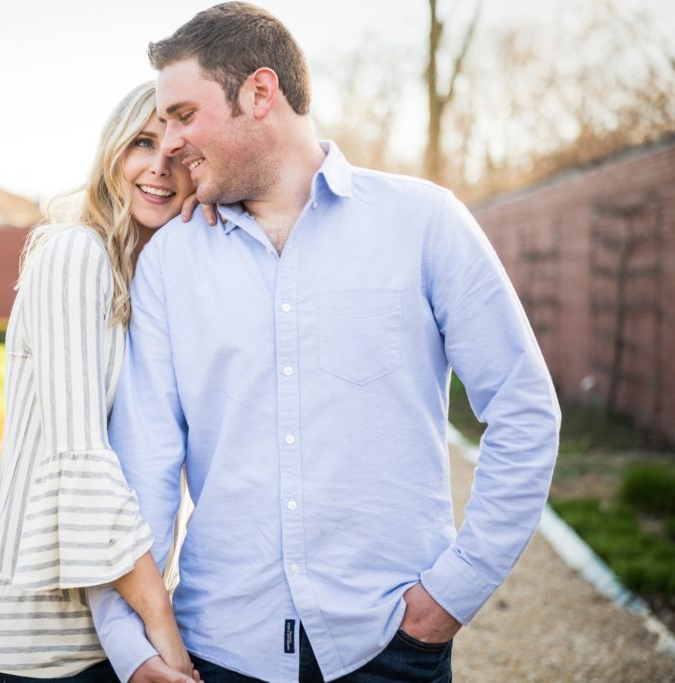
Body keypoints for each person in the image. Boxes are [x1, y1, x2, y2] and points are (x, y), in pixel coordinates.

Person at [88, 4, 562, 683]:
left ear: (259, 92)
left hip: (391, 646)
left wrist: (448, 598)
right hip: (221, 650)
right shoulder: (171, 263)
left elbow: (523, 411)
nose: (167, 146)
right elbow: (143, 471)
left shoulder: (424, 222)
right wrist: (131, 646)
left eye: (184, 116)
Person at [0, 81, 201, 683]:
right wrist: (163, 631)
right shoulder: (77, 254)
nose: (159, 167)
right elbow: (81, 462)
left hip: (115, 622)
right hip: (50, 637)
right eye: (143, 143)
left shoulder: (139, 275)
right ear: (111, 154)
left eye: (178, 153)